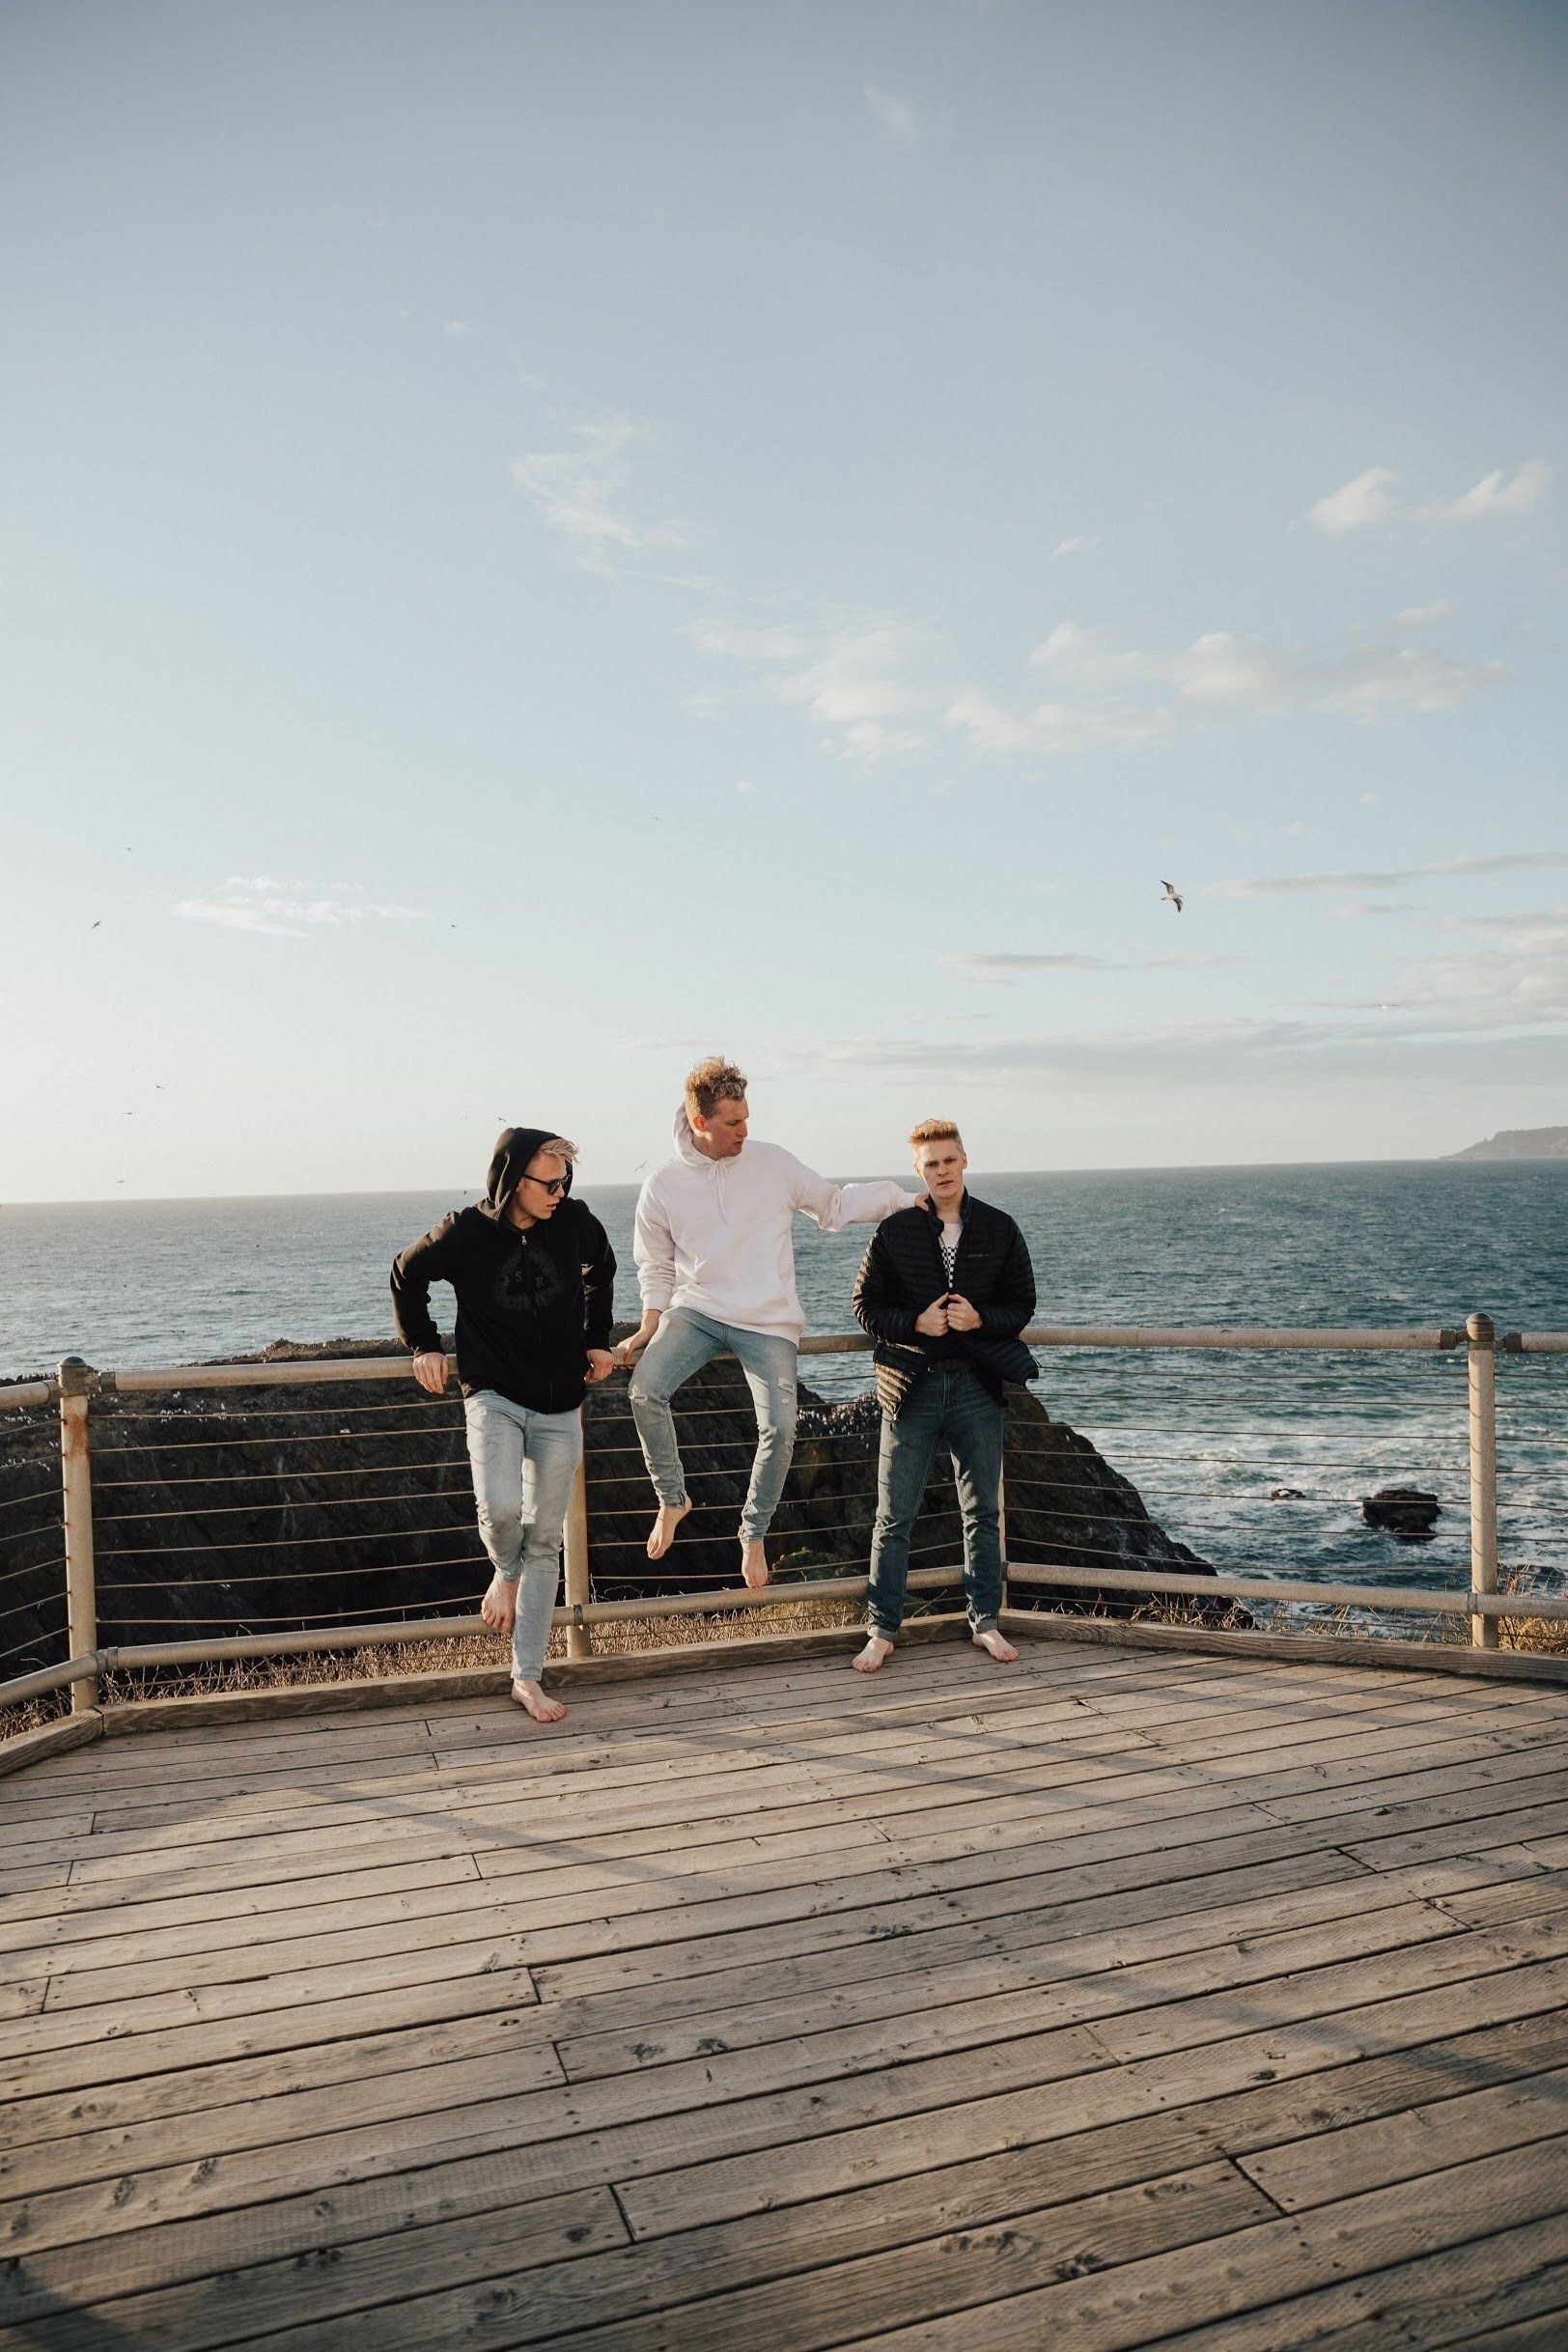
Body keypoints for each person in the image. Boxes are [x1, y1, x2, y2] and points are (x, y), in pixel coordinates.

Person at [616, 1057, 920, 1588]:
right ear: (699, 1121)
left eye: (747, 1117)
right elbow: (656, 1264)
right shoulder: (661, 1185)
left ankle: (752, 1532)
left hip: (768, 1322)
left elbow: (833, 1205)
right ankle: (672, 1499)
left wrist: (904, 1201)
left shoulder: (773, 1163)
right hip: (698, 1311)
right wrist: (648, 1325)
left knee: (780, 1426)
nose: (745, 1130)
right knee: (644, 1389)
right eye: (733, 1122)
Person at [390, 1127, 616, 1723]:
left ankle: (527, 1677)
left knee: (546, 1538)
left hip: (562, 1401)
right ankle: (504, 1571)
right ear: (513, 1180)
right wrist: (423, 1346)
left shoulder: (574, 1221)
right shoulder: (465, 1231)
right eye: (548, 1182)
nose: (559, 1193)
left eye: (565, 1182)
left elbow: (603, 1268)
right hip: (493, 1394)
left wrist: (596, 1342)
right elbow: (405, 1272)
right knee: (499, 1512)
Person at [850, 1119, 1037, 1672]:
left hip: (978, 1385)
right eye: (930, 1164)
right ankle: (882, 1630)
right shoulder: (894, 1231)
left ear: (964, 1161)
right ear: (918, 1171)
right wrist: (916, 1323)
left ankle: (985, 1621)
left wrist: (980, 1319)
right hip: (913, 1388)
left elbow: (1022, 1305)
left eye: (949, 1160)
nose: (942, 1171)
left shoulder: (1000, 1228)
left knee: (982, 1512)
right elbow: (865, 1305)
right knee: (893, 1516)